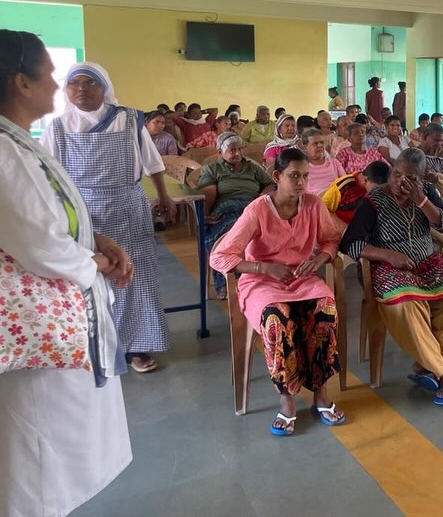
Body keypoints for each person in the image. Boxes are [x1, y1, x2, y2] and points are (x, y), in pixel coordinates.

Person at [0, 30, 134, 517]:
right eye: (51, 74)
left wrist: (96, 239)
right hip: (38, 329)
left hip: (62, 310)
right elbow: (38, 243)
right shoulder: (4, 151)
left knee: (54, 452)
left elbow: (53, 215)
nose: (58, 84)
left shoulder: (20, 142)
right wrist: (92, 262)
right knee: (37, 456)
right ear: (21, 82)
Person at [41, 61, 174, 374]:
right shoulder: (58, 127)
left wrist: (164, 196)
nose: (82, 89)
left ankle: (137, 346)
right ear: (66, 89)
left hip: (128, 208)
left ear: (105, 88)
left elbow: (152, 163)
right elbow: (50, 177)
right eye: (74, 83)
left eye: (90, 83)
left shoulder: (128, 119)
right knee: (93, 278)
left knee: (136, 277)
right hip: (85, 213)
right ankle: (101, 345)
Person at [210, 148, 345, 435]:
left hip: (301, 279)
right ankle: (287, 398)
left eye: (305, 176)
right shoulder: (258, 210)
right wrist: (263, 268)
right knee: (278, 317)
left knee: (324, 309)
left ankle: (320, 393)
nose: (301, 182)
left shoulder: (313, 205)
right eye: (294, 175)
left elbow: (331, 240)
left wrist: (318, 259)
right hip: (261, 283)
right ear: (276, 176)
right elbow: (220, 257)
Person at [340, 148, 443, 405]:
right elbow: (351, 244)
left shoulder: (426, 193)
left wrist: (421, 200)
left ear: (421, 178)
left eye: (410, 178)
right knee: (409, 302)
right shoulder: (375, 200)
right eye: (397, 174)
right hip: (387, 269)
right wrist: (388, 255)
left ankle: (425, 365)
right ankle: (442, 373)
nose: (401, 181)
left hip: (428, 263)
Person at [197, 131, 276, 298]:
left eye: (240, 149)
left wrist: (261, 197)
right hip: (227, 207)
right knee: (230, 234)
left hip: (252, 206)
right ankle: (228, 282)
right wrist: (205, 215)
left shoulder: (252, 167)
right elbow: (208, 194)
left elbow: (270, 184)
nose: (238, 153)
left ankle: (259, 278)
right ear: (220, 152)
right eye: (232, 150)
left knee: (270, 230)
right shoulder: (212, 169)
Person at [323, 160, 390, 224]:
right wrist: (344, 228)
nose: (379, 192)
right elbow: (322, 209)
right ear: (365, 180)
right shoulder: (343, 186)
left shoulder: (372, 190)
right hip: (341, 228)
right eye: (377, 189)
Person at [303, 127, 347, 195]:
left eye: (322, 142)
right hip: (313, 199)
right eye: (315, 143)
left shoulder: (334, 162)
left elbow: (345, 182)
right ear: (305, 147)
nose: (320, 145)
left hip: (336, 198)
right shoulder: (302, 167)